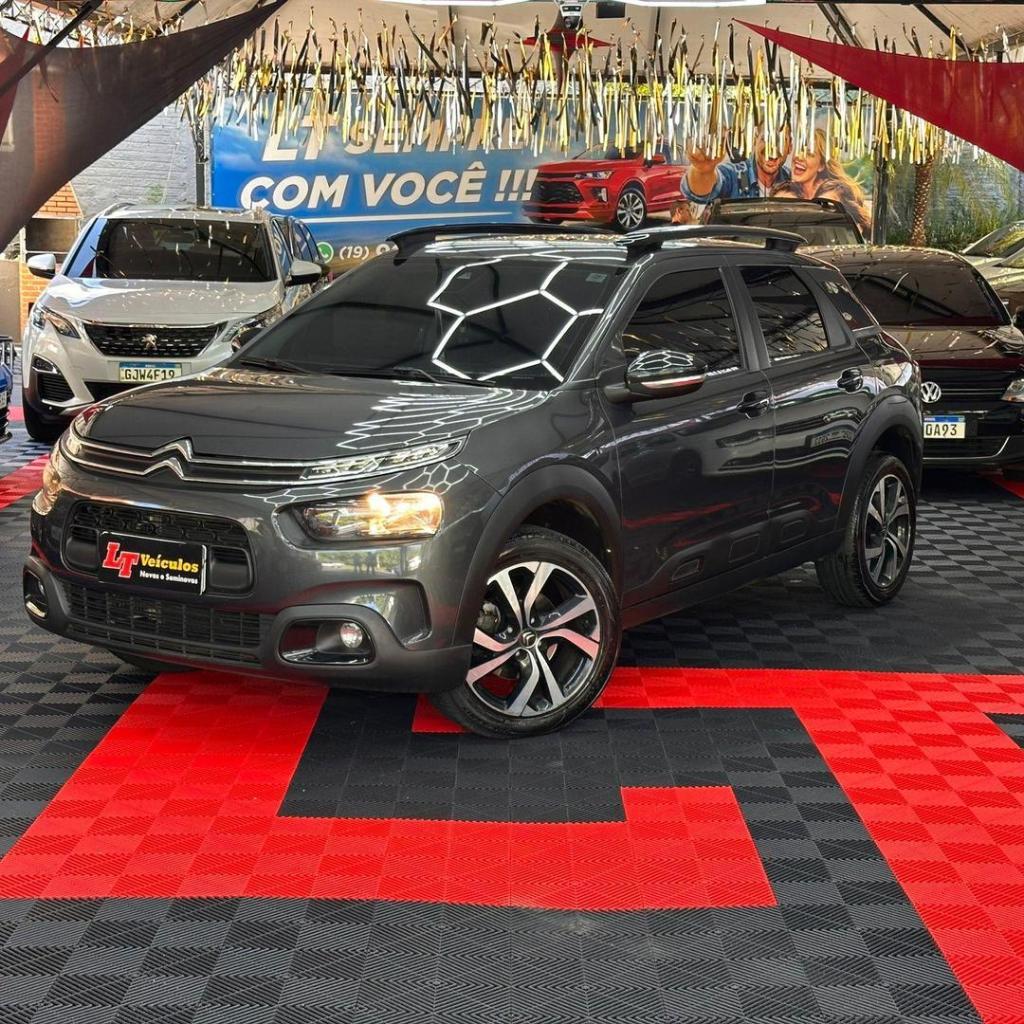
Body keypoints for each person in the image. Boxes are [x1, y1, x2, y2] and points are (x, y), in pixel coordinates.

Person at [786, 128, 872, 236]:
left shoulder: (833, 194)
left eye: (809, 154)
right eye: (799, 150)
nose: (799, 157)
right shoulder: (787, 191)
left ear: (821, 165)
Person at [681, 129, 792, 203]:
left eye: (782, 140)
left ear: (789, 147)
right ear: (754, 140)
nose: (773, 148)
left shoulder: (793, 181)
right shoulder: (734, 175)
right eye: (766, 138)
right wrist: (702, 170)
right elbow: (703, 193)